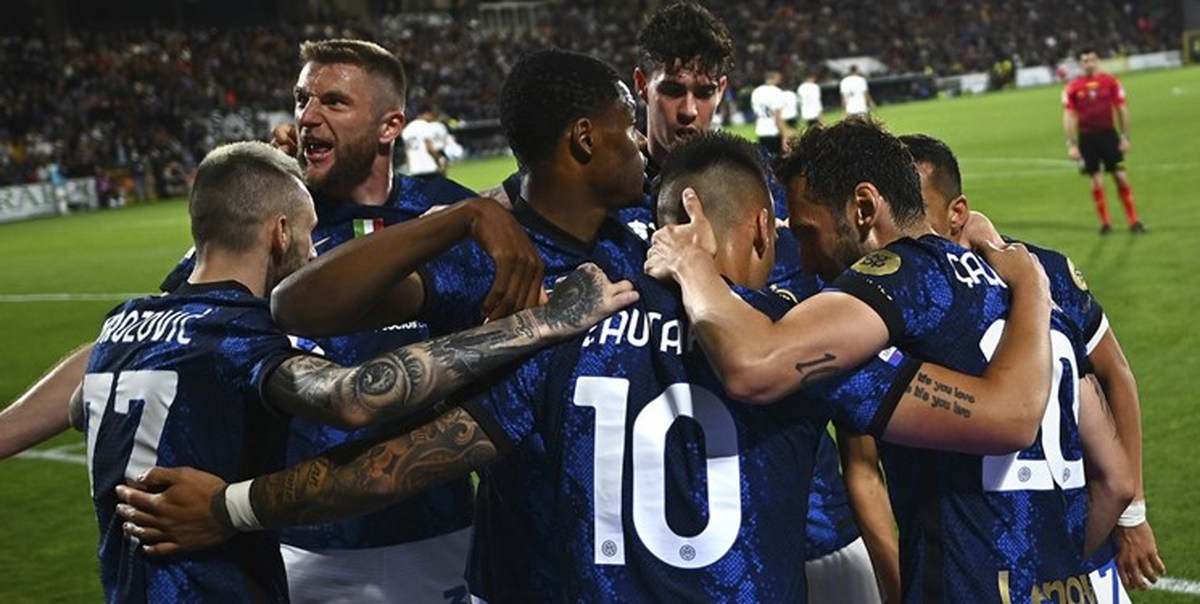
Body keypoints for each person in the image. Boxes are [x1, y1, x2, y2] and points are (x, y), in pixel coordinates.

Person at [115, 130, 1057, 602]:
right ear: (759, 229)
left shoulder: (563, 329)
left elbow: (393, 466)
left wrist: (234, 507)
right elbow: (995, 417)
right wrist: (1026, 286)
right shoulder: (796, 343)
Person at [3, 38, 545, 604]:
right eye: (302, 98)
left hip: (439, 533)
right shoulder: (267, 222)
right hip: (298, 541)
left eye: (334, 101)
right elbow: (157, 340)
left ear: (390, 126)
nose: (307, 116)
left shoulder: (449, 213)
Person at [73, 140, 635, 602]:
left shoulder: (125, 322)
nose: (313, 253)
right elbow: (353, 397)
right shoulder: (235, 334)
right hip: (208, 585)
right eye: (309, 234)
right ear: (281, 234)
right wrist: (539, 324)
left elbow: (81, 408)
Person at [645, 118, 1133, 602]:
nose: (806, 261)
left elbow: (756, 364)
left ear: (863, 208)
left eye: (809, 234)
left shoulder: (902, 280)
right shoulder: (1018, 286)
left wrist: (694, 265)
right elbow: (1116, 480)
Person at [837, 132, 1164, 597]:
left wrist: (1133, 516)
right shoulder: (1036, 272)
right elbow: (862, 468)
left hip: (991, 576)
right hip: (1067, 572)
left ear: (957, 213)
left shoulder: (903, 303)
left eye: (917, 209)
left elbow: (1116, 375)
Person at [1063, 50, 1144, 234]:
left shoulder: (1111, 82)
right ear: (1081, 64)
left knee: (1120, 177)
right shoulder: (1073, 87)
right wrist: (1072, 144)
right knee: (1096, 180)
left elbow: (1121, 109)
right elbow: (1068, 116)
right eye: (1085, 61)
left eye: (1091, 60)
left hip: (1108, 135)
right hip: (1087, 138)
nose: (1089, 63)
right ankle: (1105, 224)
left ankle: (1134, 221)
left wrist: (1124, 137)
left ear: (1097, 61)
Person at [401, 106, 450, 177]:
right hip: (429, 167)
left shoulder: (406, 130)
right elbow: (429, 147)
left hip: (415, 169)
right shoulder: (425, 126)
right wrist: (438, 159)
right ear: (427, 114)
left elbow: (407, 152)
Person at [750, 70, 790, 155]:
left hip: (761, 131)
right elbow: (777, 116)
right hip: (774, 132)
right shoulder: (776, 92)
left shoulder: (756, 92)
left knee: (765, 159)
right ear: (774, 77)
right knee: (777, 159)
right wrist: (784, 135)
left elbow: (756, 113)